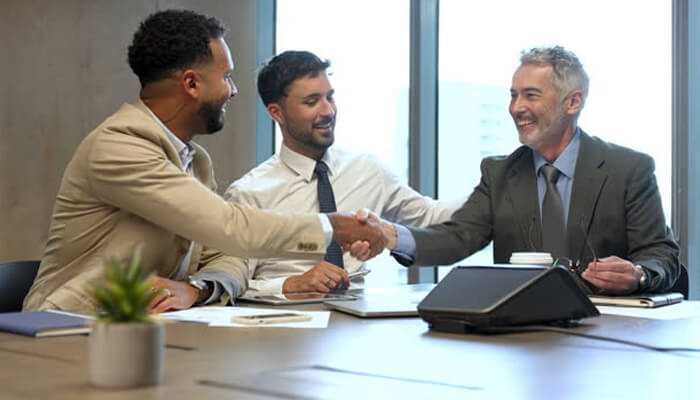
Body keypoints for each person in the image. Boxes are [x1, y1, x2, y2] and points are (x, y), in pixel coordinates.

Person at [23, 10, 384, 313]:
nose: (234, 90)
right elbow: (231, 228)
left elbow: (227, 254)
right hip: (64, 332)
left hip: (147, 332)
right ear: (192, 84)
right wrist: (331, 228)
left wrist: (198, 289)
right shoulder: (119, 146)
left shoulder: (196, 161)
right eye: (226, 77)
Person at [372, 46, 680, 294]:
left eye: (530, 95)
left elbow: (660, 254)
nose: (516, 107)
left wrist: (638, 274)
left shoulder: (629, 169)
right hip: (524, 331)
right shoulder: (499, 173)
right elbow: (457, 237)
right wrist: (390, 235)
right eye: (513, 95)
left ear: (573, 102)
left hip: (611, 329)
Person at [225, 50, 461, 294]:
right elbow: (230, 282)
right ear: (276, 112)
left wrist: (486, 193)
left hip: (359, 314)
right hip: (284, 316)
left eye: (330, 97)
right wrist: (290, 285)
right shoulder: (249, 194)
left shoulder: (366, 170)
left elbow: (431, 216)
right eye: (311, 102)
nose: (328, 111)